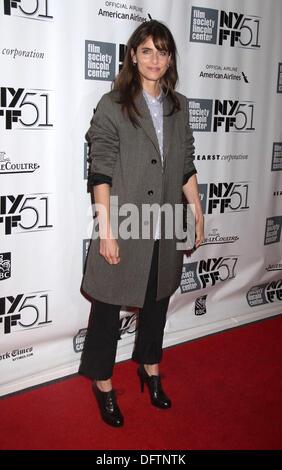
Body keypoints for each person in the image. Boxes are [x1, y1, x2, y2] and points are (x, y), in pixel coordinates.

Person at [79, 19, 204, 427]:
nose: (155, 59)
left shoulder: (180, 106)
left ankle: (151, 369)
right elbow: (101, 171)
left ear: (170, 58)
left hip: (167, 221)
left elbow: (185, 165)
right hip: (126, 221)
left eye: (162, 51)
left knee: (158, 301)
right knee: (107, 307)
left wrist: (198, 214)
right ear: (133, 55)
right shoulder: (113, 104)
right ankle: (102, 382)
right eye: (146, 50)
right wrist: (106, 230)